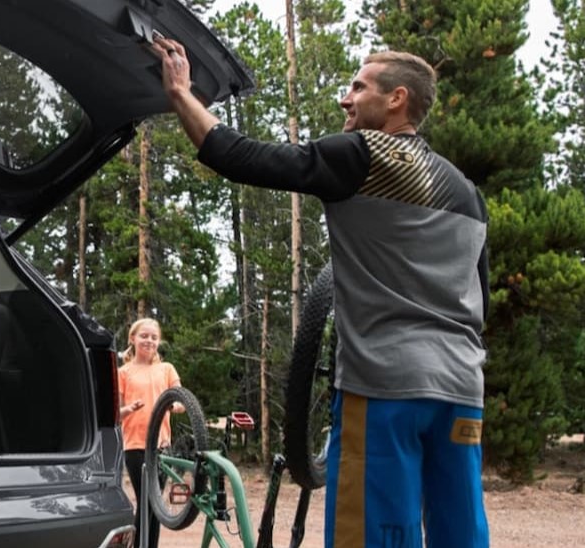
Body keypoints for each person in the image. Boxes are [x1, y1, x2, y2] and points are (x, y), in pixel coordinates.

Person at [149, 36, 490, 548]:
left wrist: (180, 93)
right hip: (462, 392)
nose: (345, 99)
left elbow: (239, 155)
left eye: (358, 87)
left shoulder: (363, 154)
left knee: (373, 537)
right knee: (461, 533)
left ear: (396, 98)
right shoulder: (467, 192)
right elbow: (478, 298)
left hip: (385, 386)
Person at [118, 317, 181, 548]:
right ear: (132, 338)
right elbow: (116, 413)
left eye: (154, 337)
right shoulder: (123, 372)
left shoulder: (166, 369)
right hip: (135, 445)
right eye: (144, 336)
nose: (149, 340)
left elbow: (182, 400)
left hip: (162, 446)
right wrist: (129, 409)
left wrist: (174, 405)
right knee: (147, 502)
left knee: (155, 505)